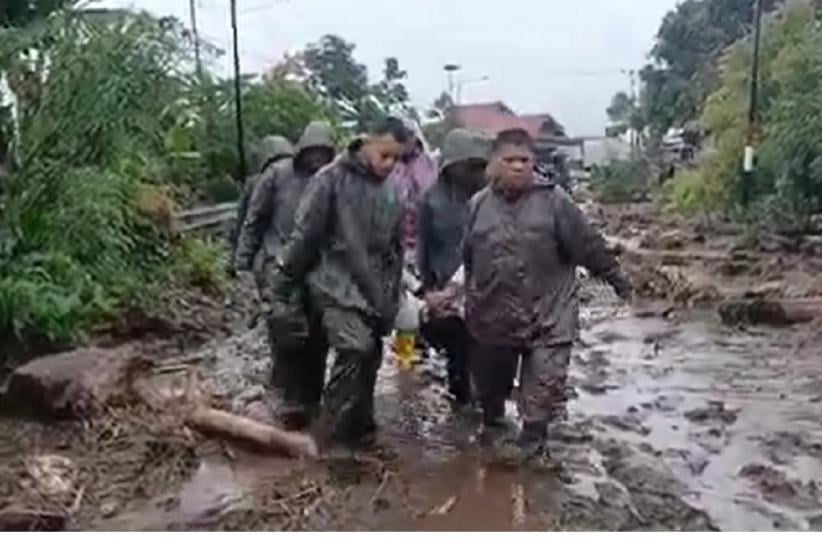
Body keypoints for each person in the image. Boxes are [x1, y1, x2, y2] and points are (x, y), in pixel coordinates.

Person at [463, 128, 631, 464]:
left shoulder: (556, 202)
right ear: (493, 164)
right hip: (494, 314)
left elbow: (587, 245)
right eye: (509, 160)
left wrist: (617, 279)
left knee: (544, 384)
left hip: (549, 313)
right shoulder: (478, 206)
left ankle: (533, 444)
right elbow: (467, 257)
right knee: (491, 384)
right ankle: (493, 425)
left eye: (524, 160)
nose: (518, 167)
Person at [272, 116, 411, 449]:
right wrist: (284, 280)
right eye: (385, 155)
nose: (390, 165)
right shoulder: (330, 180)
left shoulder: (393, 190)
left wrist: (393, 295)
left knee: (371, 356)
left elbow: (395, 247)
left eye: (397, 158)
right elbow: (305, 235)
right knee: (354, 348)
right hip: (333, 281)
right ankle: (330, 436)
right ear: (366, 142)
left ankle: (360, 426)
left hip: (375, 286)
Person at [234, 122, 335, 405]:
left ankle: (312, 397)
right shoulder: (277, 176)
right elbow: (253, 222)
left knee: (318, 336)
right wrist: (242, 264)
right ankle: (288, 397)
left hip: (319, 270)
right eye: (312, 152)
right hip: (278, 265)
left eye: (323, 152)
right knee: (285, 333)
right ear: (301, 149)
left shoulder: (333, 180)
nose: (317, 159)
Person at [418, 128, 488, 405]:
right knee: (459, 349)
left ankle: (487, 404)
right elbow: (424, 246)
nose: (465, 171)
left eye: (470, 165)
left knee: (487, 348)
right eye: (460, 164)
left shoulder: (486, 195)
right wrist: (427, 287)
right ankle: (462, 402)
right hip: (446, 283)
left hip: (484, 282)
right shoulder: (431, 199)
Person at [229, 134, 294, 280]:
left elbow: (246, 222)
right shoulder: (309, 175)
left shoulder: (256, 181)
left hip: (271, 256)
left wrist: (238, 260)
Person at [390, 118, 437, 270]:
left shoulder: (427, 164)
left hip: (419, 239)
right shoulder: (389, 163)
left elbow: (430, 196)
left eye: (408, 136)